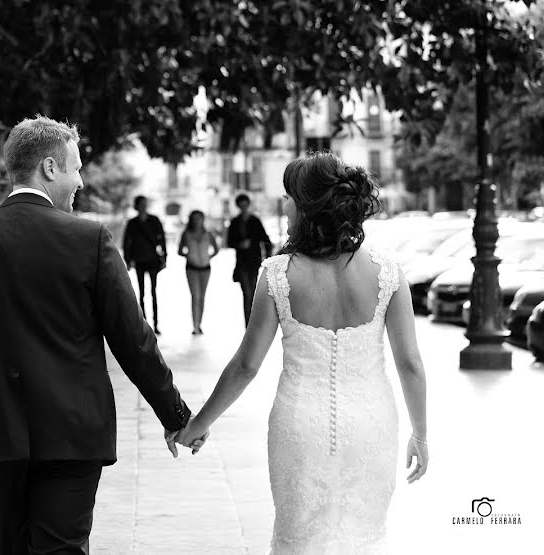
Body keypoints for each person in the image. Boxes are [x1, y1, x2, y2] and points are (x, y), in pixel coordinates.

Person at [0, 116, 201, 554]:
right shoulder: (89, 239)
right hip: (71, 434)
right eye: (76, 168)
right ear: (50, 168)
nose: (80, 181)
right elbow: (134, 339)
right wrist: (176, 415)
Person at [178, 152, 429, 552]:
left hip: (298, 426)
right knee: (364, 537)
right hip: (372, 425)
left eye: (290, 196)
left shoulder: (277, 274)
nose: (285, 204)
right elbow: (411, 365)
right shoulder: (389, 273)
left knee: (299, 540)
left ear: (310, 207)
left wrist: (198, 423)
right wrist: (421, 434)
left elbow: (246, 365)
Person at [122, 196, 166, 334]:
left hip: (152, 260)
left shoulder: (154, 220)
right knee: (141, 293)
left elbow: (162, 239)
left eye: (144, 204)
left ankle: (156, 323)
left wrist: (165, 258)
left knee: (153, 292)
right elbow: (126, 243)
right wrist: (128, 260)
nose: (143, 206)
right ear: (137, 206)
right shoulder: (132, 223)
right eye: (141, 204)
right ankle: (144, 323)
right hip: (139, 260)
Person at [227, 193, 272, 326]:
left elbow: (265, 239)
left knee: (251, 292)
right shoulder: (235, 222)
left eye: (245, 205)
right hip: (241, 262)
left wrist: (267, 257)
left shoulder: (255, 221)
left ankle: (252, 323)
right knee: (247, 292)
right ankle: (250, 323)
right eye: (241, 205)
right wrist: (240, 244)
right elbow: (229, 242)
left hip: (253, 262)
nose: (243, 207)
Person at [177, 210, 219, 335]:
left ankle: (199, 324)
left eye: (199, 218)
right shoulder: (186, 234)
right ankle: (195, 325)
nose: (197, 221)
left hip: (206, 268)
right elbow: (179, 251)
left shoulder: (208, 234)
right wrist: (189, 256)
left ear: (203, 220)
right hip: (191, 268)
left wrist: (208, 257)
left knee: (202, 297)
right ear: (191, 220)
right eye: (194, 218)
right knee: (195, 296)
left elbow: (216, 249)